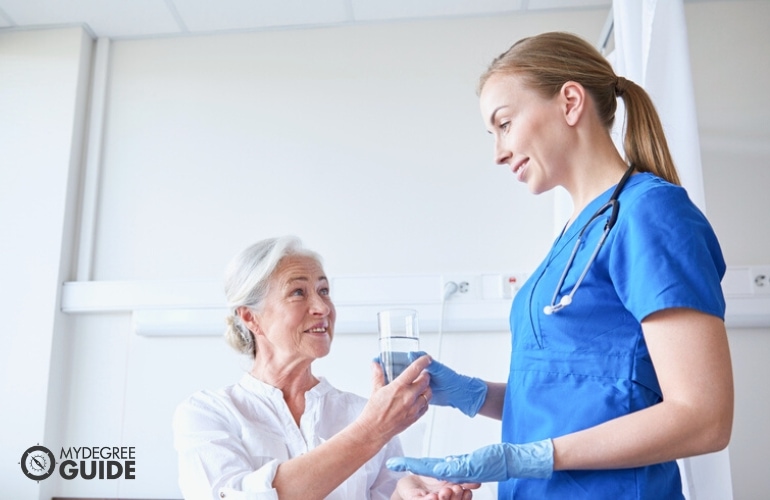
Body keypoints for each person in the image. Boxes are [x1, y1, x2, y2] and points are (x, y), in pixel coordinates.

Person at [387, 31, 734, 499]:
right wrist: (474, 394)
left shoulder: (650, 214)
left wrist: (530, 456)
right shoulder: (574, 233)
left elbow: (704, 417)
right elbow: (579, 398)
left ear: (570, 102)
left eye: (504, 123)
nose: (498, 153)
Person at [173, 235, 479, 500]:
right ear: (251, 318)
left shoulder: (363, 412)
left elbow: (388, 493)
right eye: (298, 292)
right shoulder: (208, 414)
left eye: (324, 291)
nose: (322, 308)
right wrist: (372, 430)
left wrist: (412, 493)